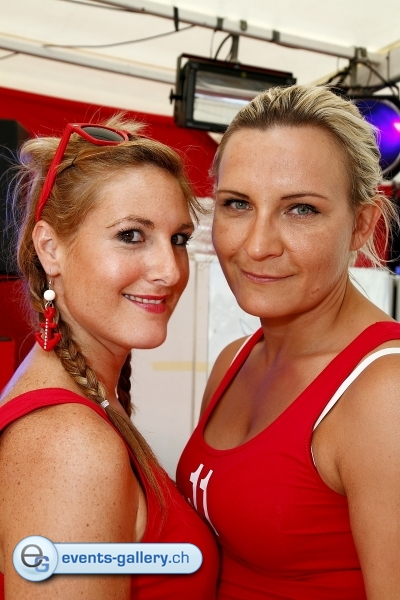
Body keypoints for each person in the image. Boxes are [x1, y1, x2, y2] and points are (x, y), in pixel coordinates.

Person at [176, 85, 400, 600]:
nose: (257, 245)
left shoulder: (384, 394)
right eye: (237, 204)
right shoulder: (234, 360)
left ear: (361, 225)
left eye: (300, 209)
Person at [0, 117, 218, 599]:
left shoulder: (81, 401)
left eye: (179, 239)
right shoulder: (69, 444)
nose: (169, 271)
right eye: (131, 235)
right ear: (50, 248)